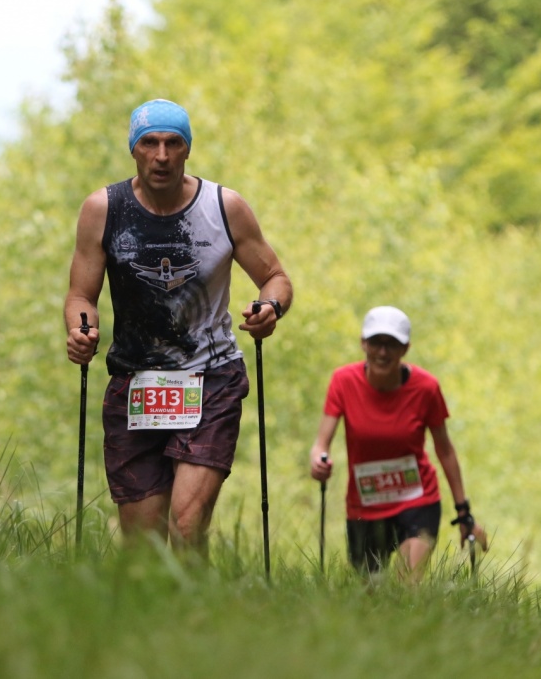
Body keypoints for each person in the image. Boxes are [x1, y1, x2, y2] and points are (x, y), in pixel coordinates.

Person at [64, 98, 293, 558]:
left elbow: (276, 278)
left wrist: (270, 308)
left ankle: (200, 623)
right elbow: (80, 296)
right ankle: (156, 627)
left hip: (211, 380)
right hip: (135, 382)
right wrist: (81, 329)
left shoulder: (224, 207)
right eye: (150, 143)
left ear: (188, 150)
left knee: (187, 527)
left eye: (173, 144)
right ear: (134, 150)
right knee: (144, 550)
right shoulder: (103, 209)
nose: (162, 156)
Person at [309, 305, 487, 578]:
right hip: (364, 507)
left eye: (392, 344)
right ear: (363, 344)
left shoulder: (426, 388)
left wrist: (463, 512)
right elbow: (321, 443)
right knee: (368, 597)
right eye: (376, 343)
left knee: (406, 590)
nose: (383, 352)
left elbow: (445, 450)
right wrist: (319, 460)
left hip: (417, 501)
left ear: (405, 349)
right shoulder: (343, 381)